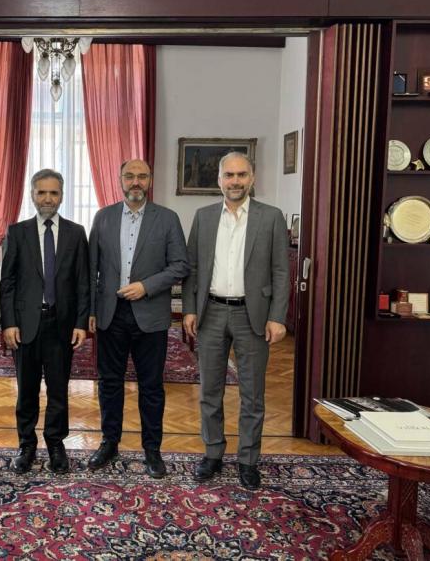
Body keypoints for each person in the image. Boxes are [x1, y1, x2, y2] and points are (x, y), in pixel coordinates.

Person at [182, 151, 289, 490]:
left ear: (252, 178)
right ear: (219, 180)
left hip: (252, 315)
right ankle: (213, 453)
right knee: (209, 391)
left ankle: (248, 460)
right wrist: (190, 309)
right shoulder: (203, 217)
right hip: (211, 312)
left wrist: (277, 316)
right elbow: (192, 268)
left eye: (242, 175)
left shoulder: (271, 217)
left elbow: (281, 271)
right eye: (229, 175)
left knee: (252, 394)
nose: (235, 181)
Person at [88, 159, 189, 479]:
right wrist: (90, 311)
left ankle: (152, 450)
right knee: (109, 383)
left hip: (151, 315)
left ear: (150, 180)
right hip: (111, 314)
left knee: (151, 386)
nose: (135, 181)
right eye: (129, 176)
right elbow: (91, 269)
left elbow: (180, 265)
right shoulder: (103, 217)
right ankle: (109, 442)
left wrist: (147, 286)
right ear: (119, 180)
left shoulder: (168, 219)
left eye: (142, 176)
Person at [0, 169, 90, 474]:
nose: (48, 199)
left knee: (58, 390)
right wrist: (8, 323)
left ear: (62, 196)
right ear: (32, 195)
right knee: (26, 391)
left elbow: (83, 282)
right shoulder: (17, 232)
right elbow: (7, 282)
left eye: (53, 193)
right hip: (25, 325)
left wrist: (80, 322)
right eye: (42, 192)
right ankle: (26, 444)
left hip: (61, 325)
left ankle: (55, 443)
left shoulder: (76, 233)